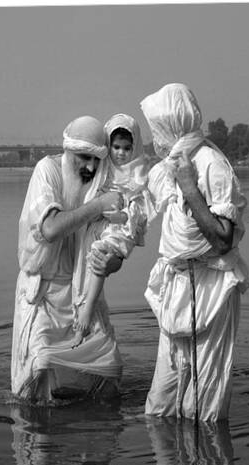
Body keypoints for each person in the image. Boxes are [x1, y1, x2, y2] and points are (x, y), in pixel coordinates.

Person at [139, 83, 249, 422]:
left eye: (156, 127)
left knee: (202, 410)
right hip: (177, 284)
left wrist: (189, 188)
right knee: (160, 408)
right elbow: (139, 207)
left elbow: (222, 240)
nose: (153, 135)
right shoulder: (168, 166)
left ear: (170, 125)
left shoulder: (211, 165)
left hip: (211, 286)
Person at [11, 115, 126, 403]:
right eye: (84, 158)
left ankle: (95, 435)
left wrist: (112, 263)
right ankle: (38, 441)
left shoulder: (101, 183)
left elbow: (113, 246)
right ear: (68, 151)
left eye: (97, 160)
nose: (90, 167)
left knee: (108, 365)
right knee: (39, 368)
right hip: (43, 295)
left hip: (82, 296)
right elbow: (49, 229)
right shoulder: (47, 171)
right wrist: (98, 205)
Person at [72, 113, 152, 347]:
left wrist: (119, 215)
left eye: (127, 148)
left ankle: (86, 314)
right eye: (116, 147)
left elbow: (138, 210)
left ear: (134, 149)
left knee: (99, 253)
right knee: (86, 264)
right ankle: (83, 317)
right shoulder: (103, 168)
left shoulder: (138, 172)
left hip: (120, 228)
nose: (121, 153)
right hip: (99, 223)